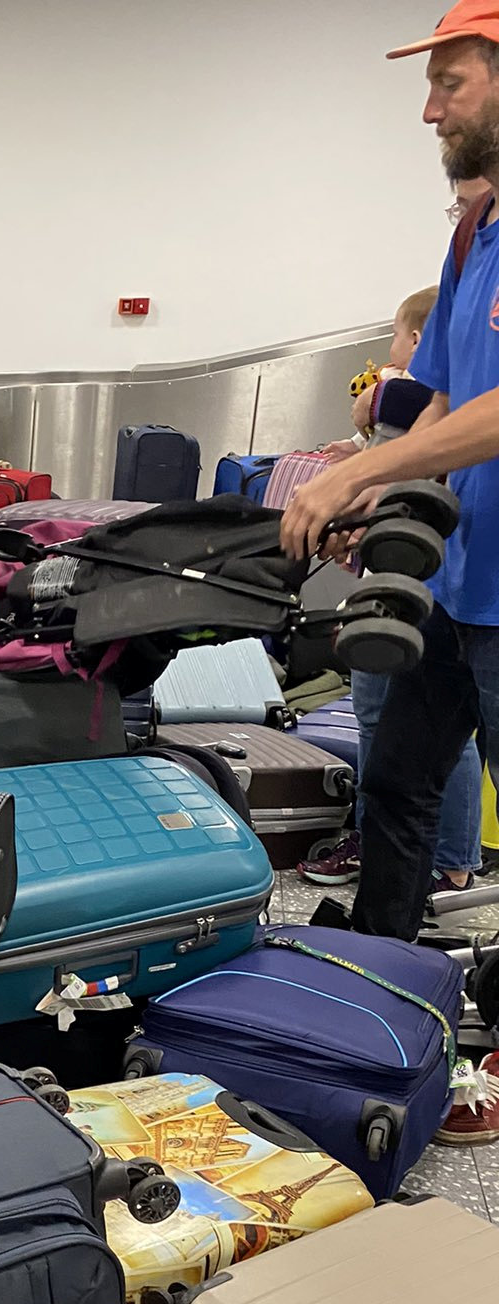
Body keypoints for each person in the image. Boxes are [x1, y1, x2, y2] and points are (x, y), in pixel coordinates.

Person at [282, 2, 499, 1142]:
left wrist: (373, 475)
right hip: (459, 585)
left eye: (452, 83)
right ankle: (380, 983)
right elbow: (452, 408)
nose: (429, 108)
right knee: (400, 783)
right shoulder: (471, 237)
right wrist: (377, 496)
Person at [298, 280, 485, 889]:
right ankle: (386, 931)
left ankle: (452, 864)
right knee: (402, 759)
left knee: (436, 742)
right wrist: (374, 483)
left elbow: (406, 403)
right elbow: (432, 414)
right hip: (447, 584)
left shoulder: (398, 385)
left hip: (476, 592)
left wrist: (368, 459)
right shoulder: (470, 249)